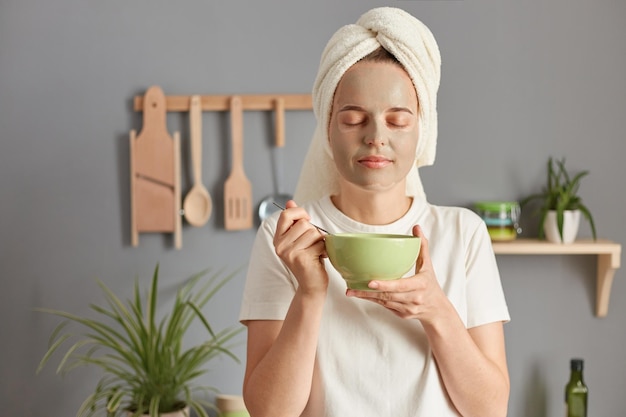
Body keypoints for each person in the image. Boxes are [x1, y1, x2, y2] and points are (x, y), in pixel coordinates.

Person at [239, 6, 510, 417]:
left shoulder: (463, 233)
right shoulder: (289, 238)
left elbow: (491, 409)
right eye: (353, 119)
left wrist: (436, 309)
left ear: (422, 129)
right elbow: (268, 412)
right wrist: (310, 292)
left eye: (398, 120)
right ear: (328, 127)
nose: (376, 137)